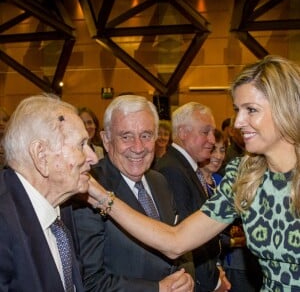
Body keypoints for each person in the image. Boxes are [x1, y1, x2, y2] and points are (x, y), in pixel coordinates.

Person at [87, 55, 300, 291]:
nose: (238, 122)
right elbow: (176, 241)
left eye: (251, 110)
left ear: (285, 109)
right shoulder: (244, 175)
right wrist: (102, 196)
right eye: (237, 110)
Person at [73, 95, 194, 292]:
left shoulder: (159, 181)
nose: (138, 147)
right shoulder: (89, 191)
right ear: (106, 139)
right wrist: (157, 289)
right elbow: (90, 281)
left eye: (146, 135)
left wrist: (186, 277)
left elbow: (181, 244)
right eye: (126, 136)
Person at [0, 94, 99, 291]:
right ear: (41, 156)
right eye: (81, 145)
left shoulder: (62, 209)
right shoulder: (3, 222)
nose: (93, 158)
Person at [154, 102, 230, 292]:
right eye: (205, 132)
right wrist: (214, 283)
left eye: (212, 132)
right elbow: (186, 241)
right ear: (182, 133)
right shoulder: (172, 170)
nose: (212, 140)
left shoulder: (184, 167)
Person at [198, 130, 262, 292]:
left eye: (222, 150)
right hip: (224, 262)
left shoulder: (220, 180)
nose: (218, 156)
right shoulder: (195, 182)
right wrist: (236, 241)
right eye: (213, 149)